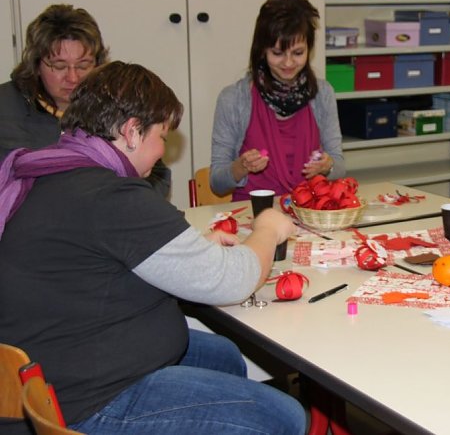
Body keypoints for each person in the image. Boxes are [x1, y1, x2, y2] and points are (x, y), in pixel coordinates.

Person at [0, 62, 305, 434]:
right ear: (131, 132)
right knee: (284, 417)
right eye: (161, 136)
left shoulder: (60, 170)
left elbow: (98, 260)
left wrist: (181, 251)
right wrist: (267, 229)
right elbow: (232, 279)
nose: (163, 151)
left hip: (59, 361)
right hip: (88, 400)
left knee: (222, 356)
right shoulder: (109, 195)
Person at [0, 3, 171, 197]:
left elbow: (158, 178)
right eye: (59, 65)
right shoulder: (5, 108)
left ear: (98, 65)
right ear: (36, 64)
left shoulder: (116, 102)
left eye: (83, 65)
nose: (73, 78)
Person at [210, 0, 344, 200]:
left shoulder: (323, 94)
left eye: (298, 53)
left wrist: (328, 166)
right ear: (262, 50)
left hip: (308, 212)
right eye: (278, 53)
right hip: (254, 212)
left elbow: (339, 166)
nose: (288, 63)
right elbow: (217, 183)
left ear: (309, 49)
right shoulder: (233, 99)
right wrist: (240, 167)